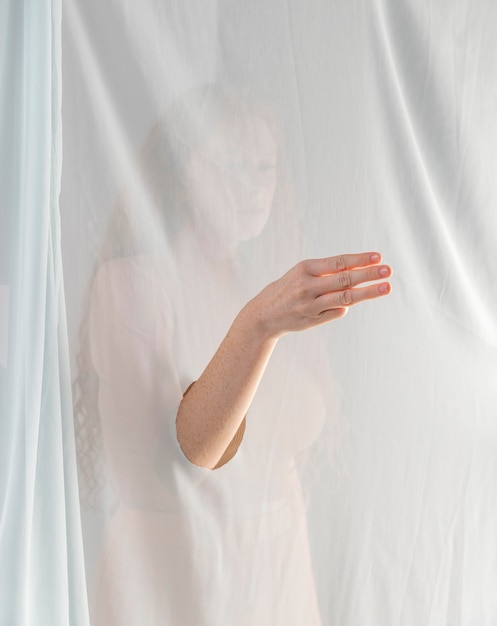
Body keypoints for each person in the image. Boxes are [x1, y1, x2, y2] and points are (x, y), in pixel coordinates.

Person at [75, 84, 392, 625]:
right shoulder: (132, 287)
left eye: (266, 167)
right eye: (232, 165)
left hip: (275, 576)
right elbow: (168, 472)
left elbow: (289, 452)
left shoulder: (275, 289)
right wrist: (257, 325)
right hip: (174, 587)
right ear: (182, 172)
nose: (254, 188)